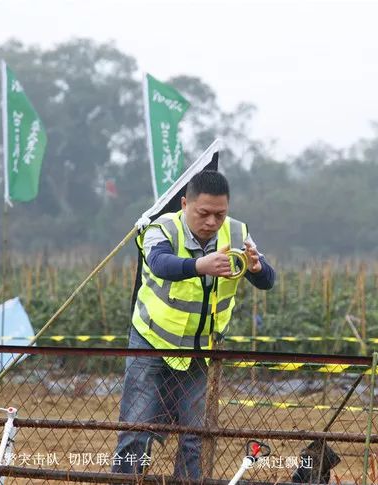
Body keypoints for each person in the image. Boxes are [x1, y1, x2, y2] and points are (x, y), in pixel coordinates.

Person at [112, 170, 275, 480]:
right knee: (136, 428)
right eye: (204, 213)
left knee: (194, 436)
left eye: (220, 214)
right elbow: (160, 264)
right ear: (185, 203)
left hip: (201, 350)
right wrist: (201, 265)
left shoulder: (238, 233)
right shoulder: (162, 228)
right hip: (152, 342)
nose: (212, 222)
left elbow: (267, 278)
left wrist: (256, 267)